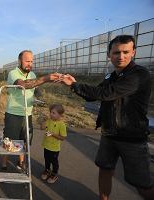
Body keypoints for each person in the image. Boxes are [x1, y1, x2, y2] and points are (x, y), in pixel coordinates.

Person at [62, 35, 154, 200]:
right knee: (104, 170)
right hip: (109, 134)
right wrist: (74, 84)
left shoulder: (139, 74)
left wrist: (75, 85)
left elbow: (106, 93)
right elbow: (93, 96)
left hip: (132, 138)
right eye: (116, 52)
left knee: (142, 185)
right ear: (109, 55)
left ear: (133, 52)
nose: (121, 56)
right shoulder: (111, 77)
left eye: (126, 52)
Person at [2, 50, 62, 171]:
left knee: (25, 141)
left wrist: (42, 95)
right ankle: (4, 164)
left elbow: (36, 90)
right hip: (13, 114)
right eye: (27, 61)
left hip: (27, 114)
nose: (30, 63)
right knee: (9, 141)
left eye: (31, 61)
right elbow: (23, 85)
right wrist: (46, 78)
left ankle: (21, 163)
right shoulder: (13, 73)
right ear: (20, 61)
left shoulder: (33, 75)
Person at [40, 104, 67, 184]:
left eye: (53, 113)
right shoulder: (49, 121)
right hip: (46, 145)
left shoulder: (61, 124)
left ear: (60, 115)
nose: (51, 114)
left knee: (54, 161)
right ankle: (47, 170)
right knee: (47, 159)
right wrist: (44, 121)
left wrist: (52, 134)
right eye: (51, 112)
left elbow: (62, 138)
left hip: (55, 148)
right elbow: (42, 128)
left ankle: (54, 174)